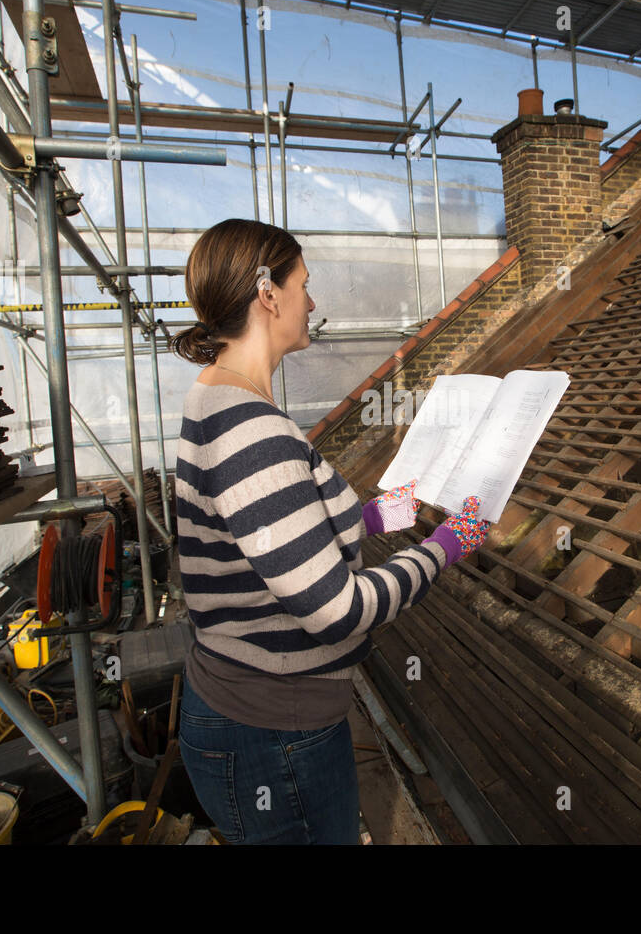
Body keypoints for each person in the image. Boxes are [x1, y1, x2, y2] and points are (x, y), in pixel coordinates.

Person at [169, 218, 489, 844]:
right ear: (268, 294)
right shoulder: (252, 430)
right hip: (274, 736)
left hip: (247, 715)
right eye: (304, 285)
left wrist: (395, 511)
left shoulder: (217, 399)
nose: (312, 304)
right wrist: (450, 544)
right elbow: (338, 611)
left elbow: (284, 530)